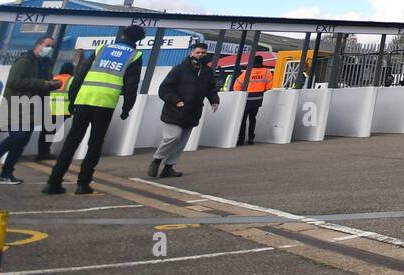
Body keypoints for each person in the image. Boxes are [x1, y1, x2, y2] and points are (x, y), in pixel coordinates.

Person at [43, 25, 145, 196]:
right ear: (138, 40)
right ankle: (83, 184)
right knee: (95, 144)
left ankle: (53, 183)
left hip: (84, 98)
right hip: (105, 102)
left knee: (71, 142)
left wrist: (73, 99)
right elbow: (131, 85)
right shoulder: (135, 55)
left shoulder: (101, 48)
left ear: (124, 34)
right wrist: (127, 107)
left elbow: (80, 75)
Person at [0, 36, 58, 186]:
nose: (49, 49)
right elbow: (14, 81)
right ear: (38, 45)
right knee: (18, 136)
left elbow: (42, 85)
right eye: (47, 45)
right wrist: (43, 83)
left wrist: (51, 84)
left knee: (21, 141)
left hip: (31, 108)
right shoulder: (24, 61)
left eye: (52, 46)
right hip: (16, 106)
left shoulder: (44, 64)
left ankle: (6, 173)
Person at [150, 42, 219, 179]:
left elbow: (211, 88)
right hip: (174, 111)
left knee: (181, 142)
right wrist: (176, 100)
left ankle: (169, 167)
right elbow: (164, 89)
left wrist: (214, 100)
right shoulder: (178, 69)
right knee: (172, 137)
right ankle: (156, 160)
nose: (200, 55)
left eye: (203, 53)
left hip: (192, 112)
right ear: (191, 53)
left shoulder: (206, 72)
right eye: (198, 52)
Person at [38, 62, 76, 161]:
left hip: (49, 108)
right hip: (60, 109)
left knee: (45, 132)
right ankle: (44, 153)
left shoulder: (54, 78)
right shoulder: (72, 80)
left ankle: (42, 152)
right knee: (51, 133)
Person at [235, 55, 271, 146]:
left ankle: (241, 139)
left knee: (243, 119)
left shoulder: (247, 72)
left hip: (246, 100)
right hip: (258, 99)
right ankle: (251, 138)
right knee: (252, 118)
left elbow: (236, 86)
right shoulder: (267, 72)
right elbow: (269, 86)